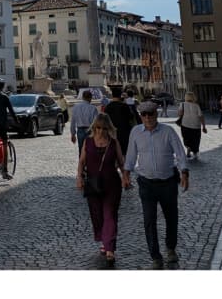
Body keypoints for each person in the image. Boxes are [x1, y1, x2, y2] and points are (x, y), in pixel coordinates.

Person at [122, 99, 189, 270]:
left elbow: (180, 153)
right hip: (146, 183)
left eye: (150, 114)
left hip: (167, 182)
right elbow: (131, 155)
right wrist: (126, 173)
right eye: (143, 114)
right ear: (140, 116)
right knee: (149, 220)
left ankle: (171, 248)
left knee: (171, 217)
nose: (147, 117)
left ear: (156, 114)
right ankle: (155, 256)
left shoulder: (168, 131)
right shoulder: (136, 132)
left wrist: (184, 172)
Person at [77, 112, 129, 268]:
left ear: (109, 129)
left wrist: (125, 176)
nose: (100, 131)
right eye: (98, 128)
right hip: (93, 185)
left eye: (104, 128)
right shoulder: (88, 142)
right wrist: (79, 177)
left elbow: (121, 162)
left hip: (112, 184)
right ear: (94, 127)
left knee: (110, 215)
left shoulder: (114, 143)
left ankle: (110, 249)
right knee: (97, 215)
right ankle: (104, 240)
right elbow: (81, 162)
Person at [102, 85, 138, 157]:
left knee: (113, 155)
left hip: (112, 135)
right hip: (124, 134)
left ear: (112, 95)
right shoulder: (125, 106)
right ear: (120, 95)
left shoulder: (107, 107)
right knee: (124, 155)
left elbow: (104, 122)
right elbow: (131, 118)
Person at [179, 90, 204, 160]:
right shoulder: (196, 105)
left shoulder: (182, 104)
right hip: (196, 125)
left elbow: (180, 114)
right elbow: (201, 116)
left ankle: (188, 147)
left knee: (186, 138)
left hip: (185, 124)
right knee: (196, 139)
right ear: (193, 97)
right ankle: (195, 153)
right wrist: (204, 126)